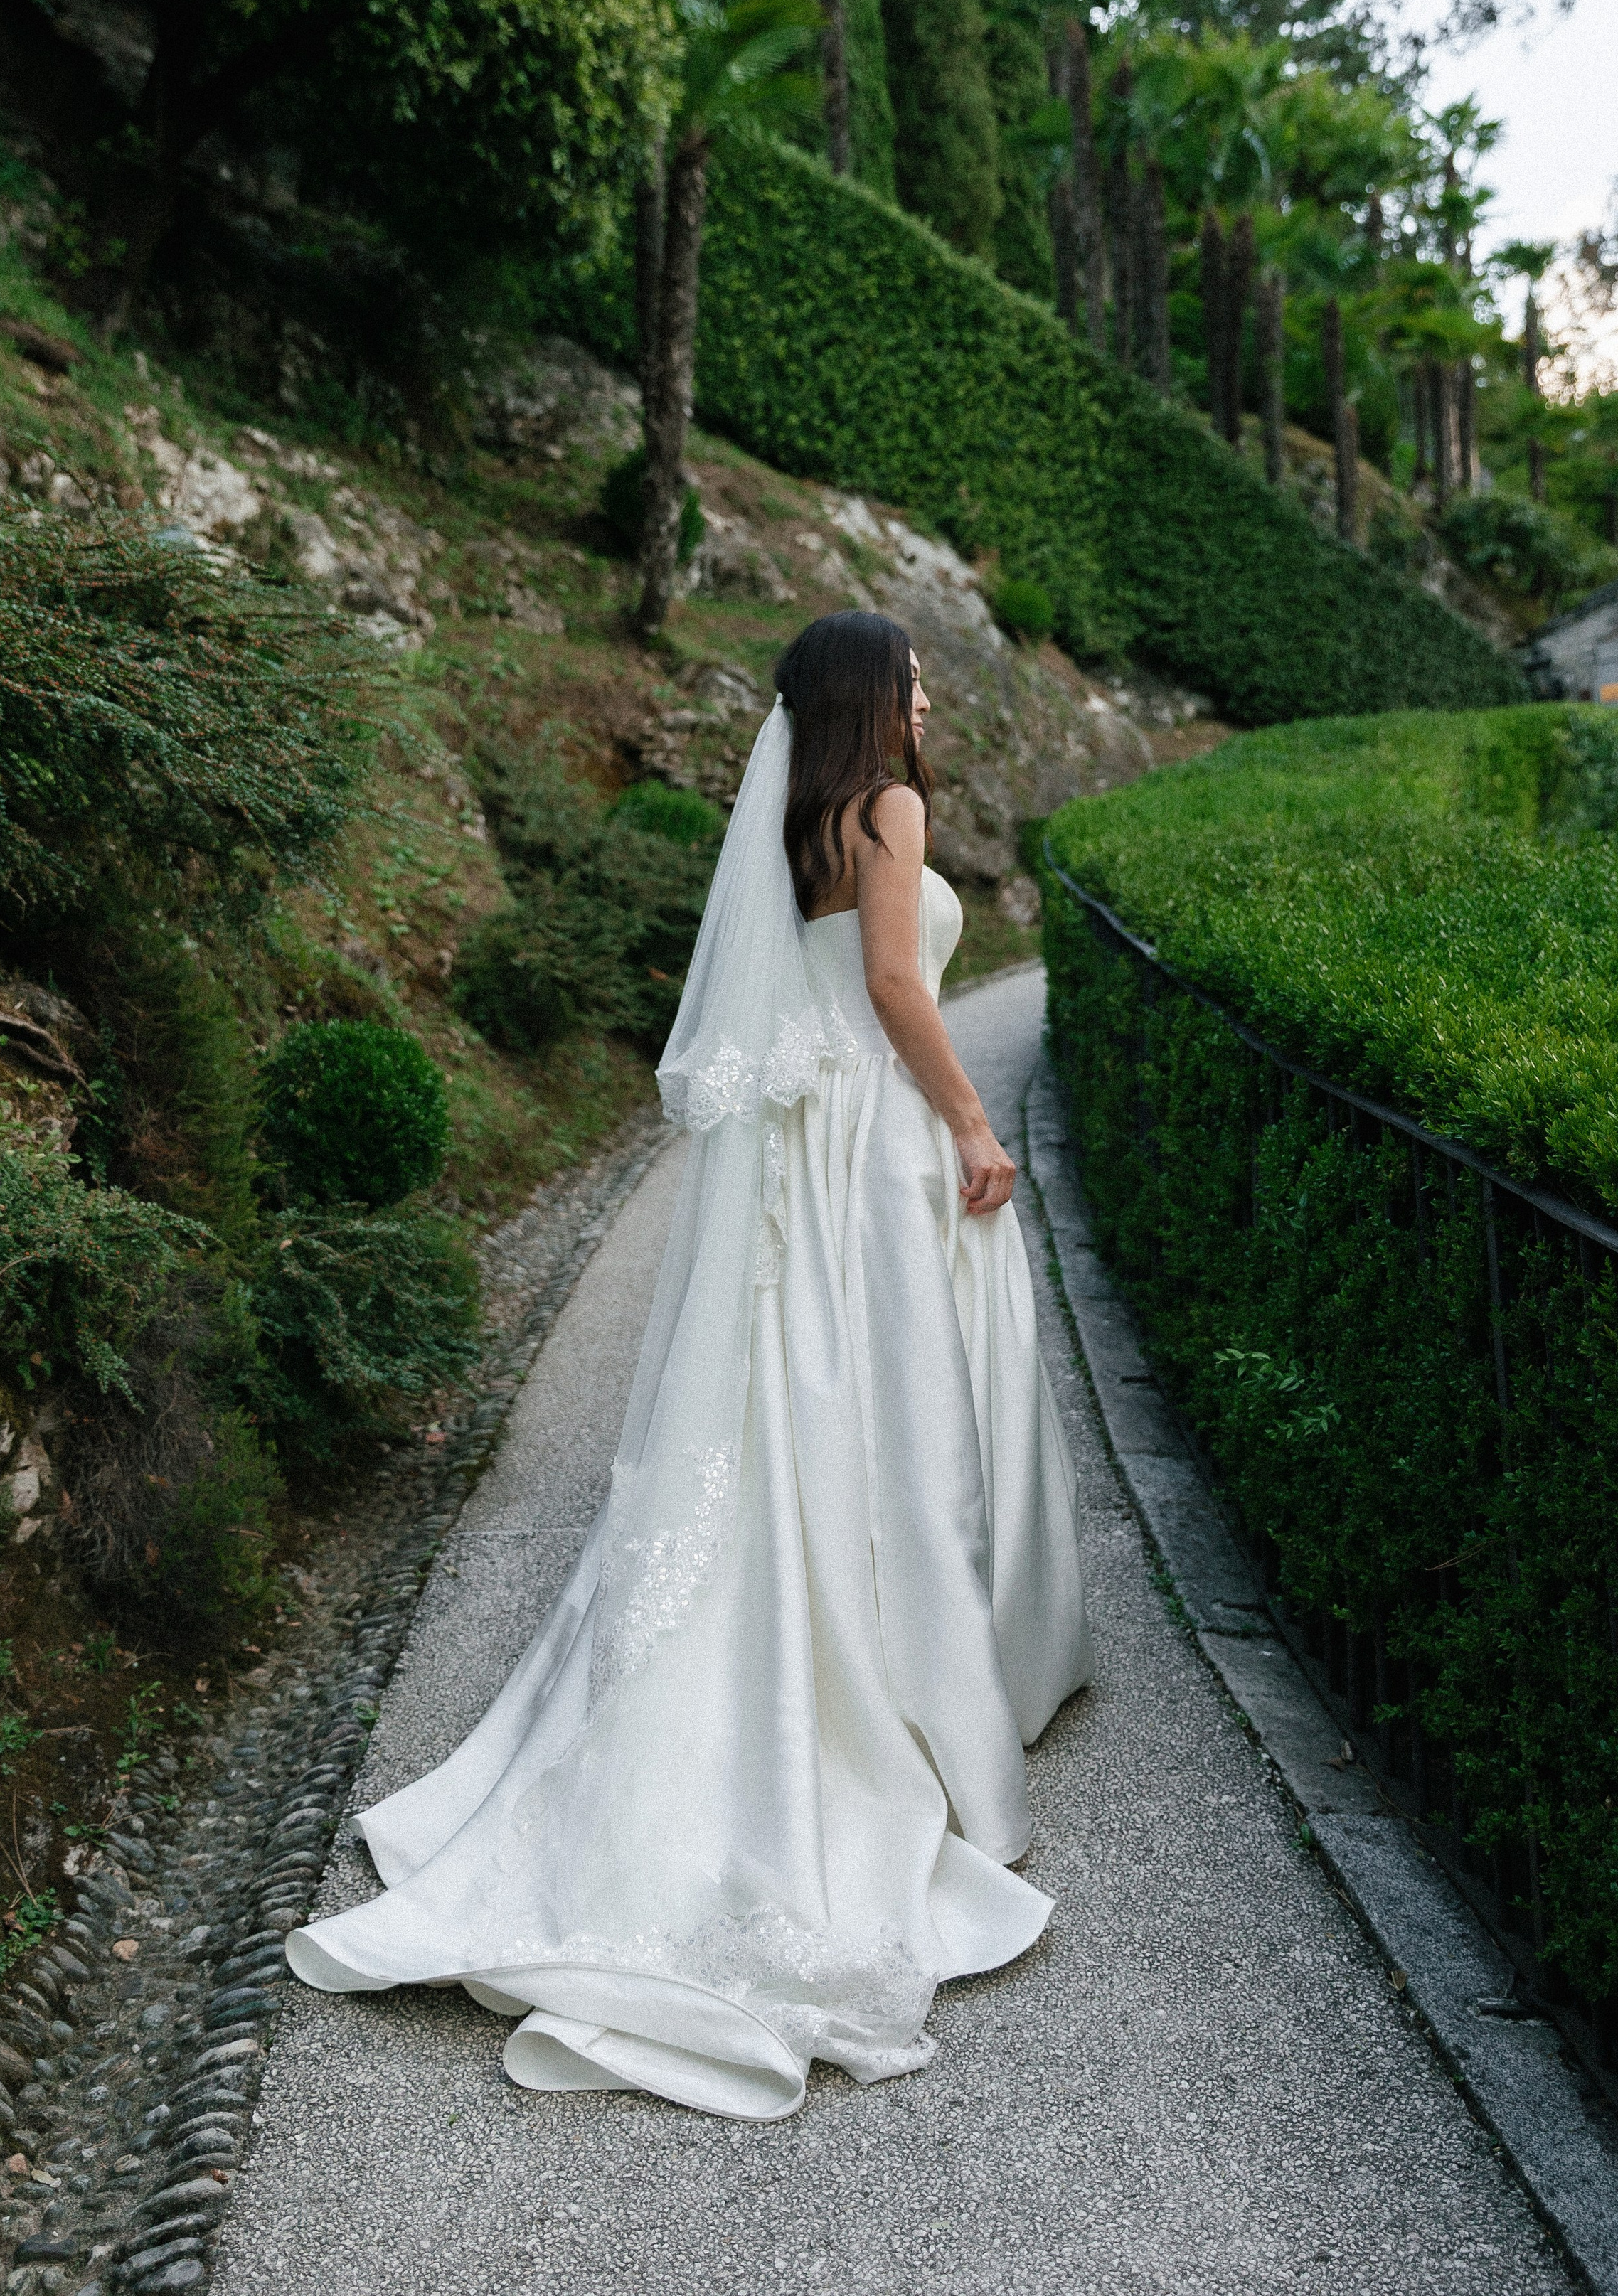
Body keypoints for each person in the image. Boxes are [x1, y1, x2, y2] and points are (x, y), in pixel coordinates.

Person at [287, 611, 1092, 2120]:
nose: (928, 702)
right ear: (870, 700)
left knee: (803, 1402)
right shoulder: (890, 809)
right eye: (913, 682)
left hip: (805, 1141)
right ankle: (916, 1688)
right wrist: (975, 1125)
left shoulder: (799, 822)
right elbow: (896, 990)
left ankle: (837, 1642)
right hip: (875, 1142)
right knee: (903, 1422)